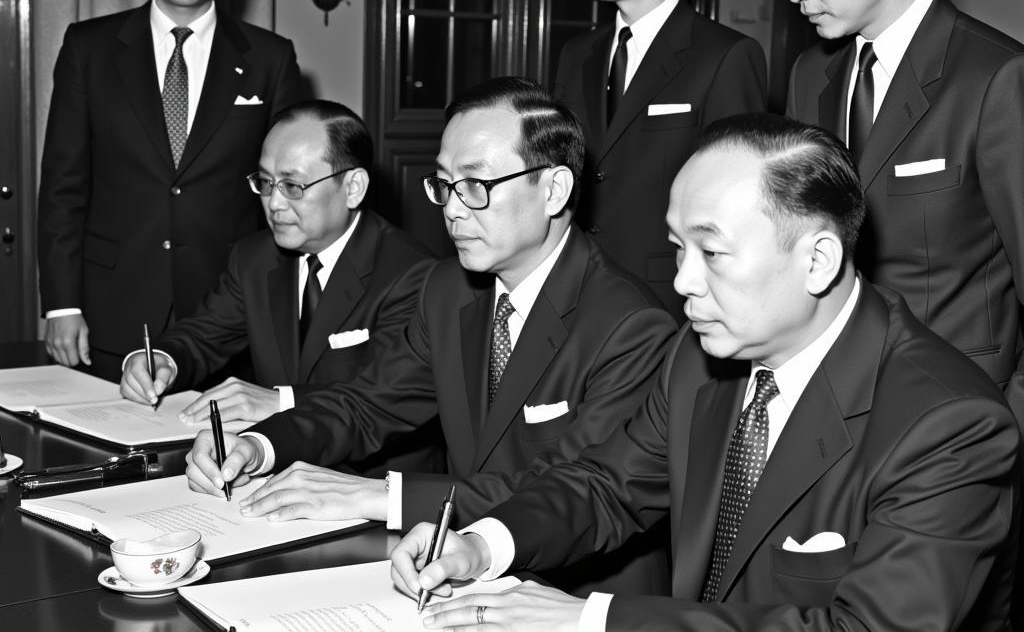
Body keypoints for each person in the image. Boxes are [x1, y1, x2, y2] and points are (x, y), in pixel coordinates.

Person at [392, 113, 1023, 632]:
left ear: (818, 259)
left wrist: (589, 625)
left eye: (712, 252)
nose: (684, 281)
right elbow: (608, 486)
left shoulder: (950, 423)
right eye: (677, 248)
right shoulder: (699, 362)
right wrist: (482, 543)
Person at [186, 77, 678, 595]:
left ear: (554, 189)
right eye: (444, 184)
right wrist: (259, 445)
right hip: (449, 570)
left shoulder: (630, 325)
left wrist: (381, 496)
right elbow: (369, 402)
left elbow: (566, 489)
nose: (453, 209)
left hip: (574, 591)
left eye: (476, 185)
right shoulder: (448, 288)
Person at [761, 0, 1024, 423]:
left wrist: (1008, 437)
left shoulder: (997, 77)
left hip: (956, 417)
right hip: (828, 407)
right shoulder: (812, 74)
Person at [38, 0, 307, 381]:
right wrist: (60, 305)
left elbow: (287, 193)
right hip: (109, 312)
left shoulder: (271, 58)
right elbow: (62, 187)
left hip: (227, 315)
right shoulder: (88, 49)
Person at [119, 100, 440, 475]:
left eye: (292, 185)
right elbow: (204, 334)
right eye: (265, 183)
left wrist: (279, 400)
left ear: (353, 187)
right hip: (270, 465)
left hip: (371, 480)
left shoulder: (414, 273)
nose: (273, 203)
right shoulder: (254, 257)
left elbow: (377, 397)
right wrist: (162, 360)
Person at [554, 0, 767, 321]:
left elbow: (737, 204)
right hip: (573, 289)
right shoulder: (577, 54)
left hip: (667, 301)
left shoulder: (726, 56)